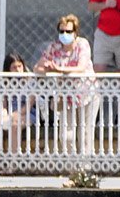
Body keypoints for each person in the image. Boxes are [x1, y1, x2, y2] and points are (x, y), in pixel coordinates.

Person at [35, 14, 99, 158]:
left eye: (68, 31)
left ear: (75, 32)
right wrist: (46, 69)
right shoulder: (54, 47)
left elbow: (81, 67)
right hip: (66, 96)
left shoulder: (82, 44)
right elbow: (37, 68)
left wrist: (58, 69)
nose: (65, 35)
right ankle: (71, 166)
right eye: (62, 31)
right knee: (66, 135)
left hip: (86, 93)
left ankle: (84, 169)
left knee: (85, 133)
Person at [0, 54, 37, 158]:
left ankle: (12, 162)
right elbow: (4, 106)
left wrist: (14, 115)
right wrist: (4, 114)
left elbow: (29, 105)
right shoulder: (7, 83)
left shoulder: (30, 81)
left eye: (19, 66)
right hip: (10, 113)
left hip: (27, 113)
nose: (17, 70)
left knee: (15, 124)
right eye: (14, 67)